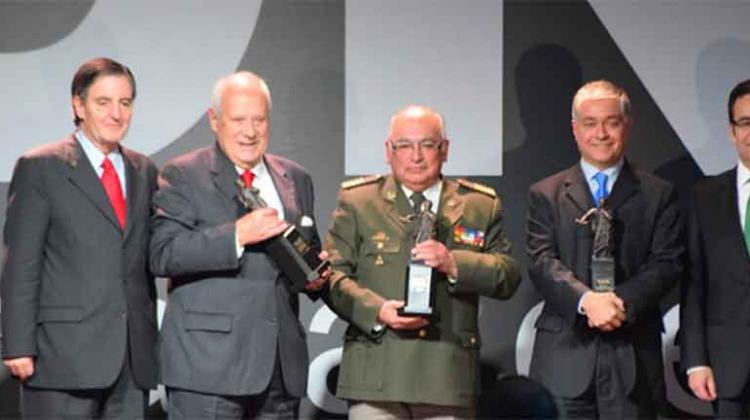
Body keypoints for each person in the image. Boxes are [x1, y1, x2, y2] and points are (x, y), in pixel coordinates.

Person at [324, 105, 521, 419]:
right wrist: (377, 310)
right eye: (404, 145)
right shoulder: (359, 202)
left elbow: (508, 275)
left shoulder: (480, 205)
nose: (416, 156)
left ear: (445, 149)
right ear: (389, 151)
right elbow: (331, 276)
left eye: (427, 145)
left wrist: (455, 263)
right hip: (377, 372)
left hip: (447, 375)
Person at [150, 71, 325, 419]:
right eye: (239, 119)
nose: (250, 131)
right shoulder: (183, 174)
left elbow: (307, 256)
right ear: (215, 121)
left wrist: (317, 278)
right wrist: (237, 235)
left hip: (279, 369)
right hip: (208, 370)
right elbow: (162, 253)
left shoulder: (296, 178)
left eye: (259, 119)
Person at [0, 57, 159, 418]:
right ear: (78, 105)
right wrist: (18, 345)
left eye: (125, 102)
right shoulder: (41, 167)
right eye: (103, 102)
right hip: (61, 359)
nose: (116, 114)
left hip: (131, 362)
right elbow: (20, 264)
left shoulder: (144, 170)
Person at [526, 80, 683, 419]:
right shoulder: (546, 193)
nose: (601, 133)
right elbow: (541, 261)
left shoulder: (658, 193)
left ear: (627, 125)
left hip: (633, 358)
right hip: (564, 358)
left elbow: (667, 263)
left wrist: (618, 303)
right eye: (590, 123)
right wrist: (587, 302)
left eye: (611, 122)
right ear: (574, 128)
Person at [681, 78, 750, 417]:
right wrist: (695, 360)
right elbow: (693, 285)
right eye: (746, 122)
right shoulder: (703, 197)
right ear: (731, 131)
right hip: (728, 368)